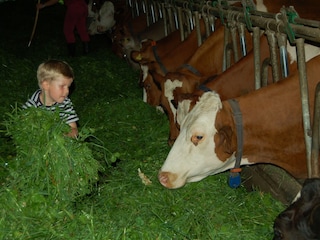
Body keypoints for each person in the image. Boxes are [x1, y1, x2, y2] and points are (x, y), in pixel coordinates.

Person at [23, 60, 79, 138]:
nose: (67, 91)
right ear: (46, 85)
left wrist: (61, 137)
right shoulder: (31, 107)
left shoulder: (65, 103)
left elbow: (74, 129)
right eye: (62, 86)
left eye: (68, 87)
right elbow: (24, 131)